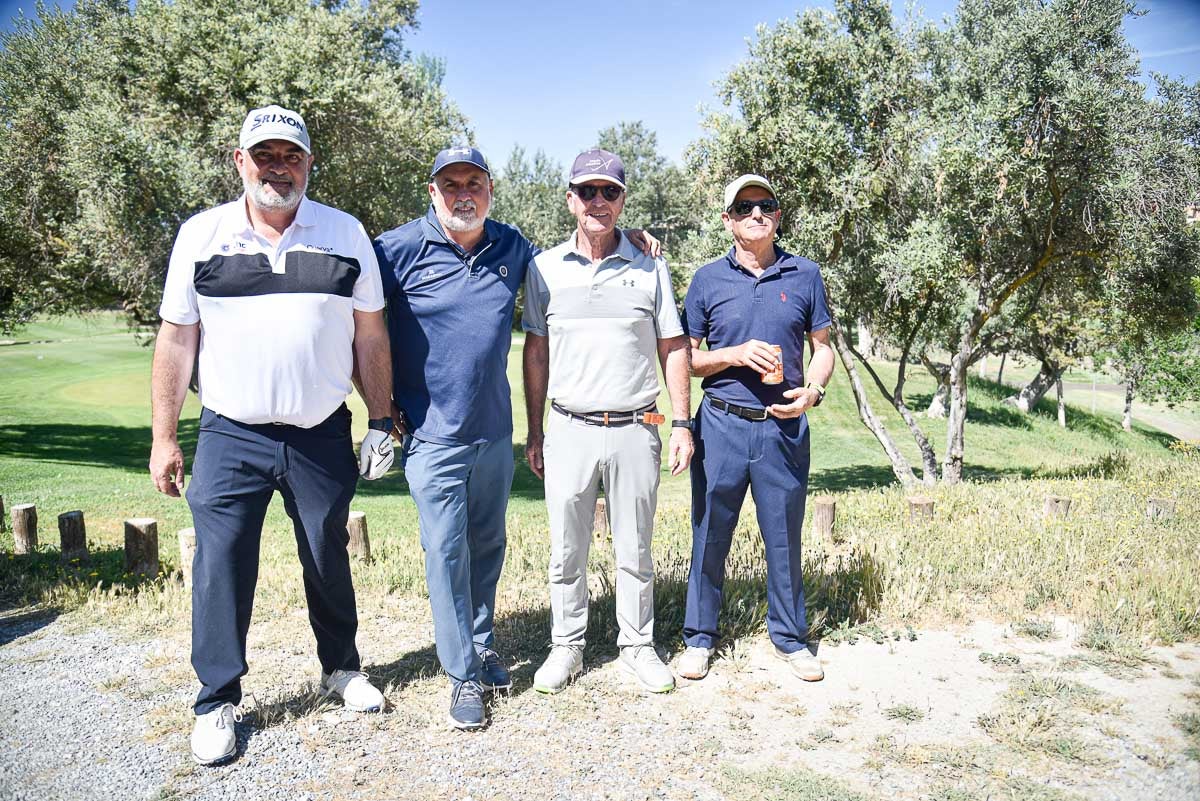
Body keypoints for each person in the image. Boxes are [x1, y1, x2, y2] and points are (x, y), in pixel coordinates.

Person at [373, 147, 661, 729]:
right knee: (446, 554)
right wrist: (380, 408)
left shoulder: (513, 249)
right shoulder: (392, 250)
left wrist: (627, 233)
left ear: (490, 189)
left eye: (473, 183)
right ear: (432, 191)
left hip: (492, 435)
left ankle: (482, 646)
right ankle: (461, 678)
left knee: (486, 548)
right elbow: (361, 327)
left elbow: (581, 250)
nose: (463, 194)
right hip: (432, 438)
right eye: (450, 183)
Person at [149, 104, 395, 766]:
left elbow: (370, 333)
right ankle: (216, 699)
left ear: (309, 164)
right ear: (240, 162)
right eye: (264, 156)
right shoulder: (202, 236)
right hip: (231, 430)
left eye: (291, 156)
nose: (277, 168)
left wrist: (381, 417)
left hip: (319, 429)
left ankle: (341, 667)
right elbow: (176, 339)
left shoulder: (345, 233)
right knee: (222, 561)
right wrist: (164, 435)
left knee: (326, 550)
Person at [522, 148, 693, 695]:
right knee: (566, 547)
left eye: (610, 192)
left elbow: (674, 346)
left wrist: (683, 423)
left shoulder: (651, 266)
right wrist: (534, 431)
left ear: (622, 201)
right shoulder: (543, 269)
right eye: (588, 191)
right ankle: (566, 646)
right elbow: (536, 353)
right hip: (568, 427)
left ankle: (637, 646)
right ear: (570, 199)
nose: (599, 201)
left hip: (635, 426)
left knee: (635, 547)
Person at [676, 174, 834, 683]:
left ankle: (790, 638)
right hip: (721, 423)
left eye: (766, 205)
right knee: (709, 533)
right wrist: (737, 355)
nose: (757, 214)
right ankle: (699, 638)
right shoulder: (706, 280)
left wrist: (812, 392)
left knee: (784, 535)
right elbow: (688, 360)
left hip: (782, 427)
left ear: (778, 216)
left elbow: (824, 348)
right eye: (744, 208)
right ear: (728, 220)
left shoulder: (805, 275)